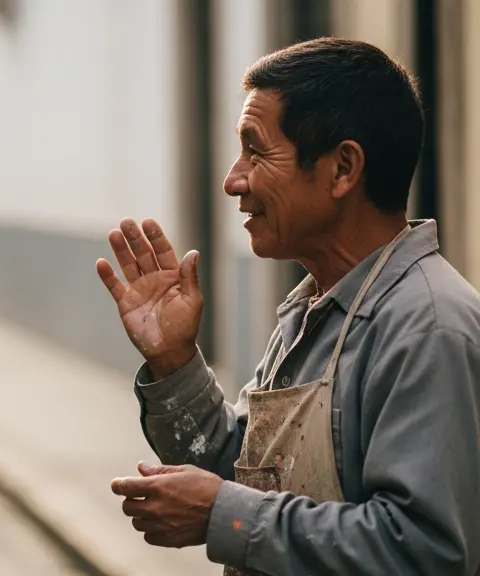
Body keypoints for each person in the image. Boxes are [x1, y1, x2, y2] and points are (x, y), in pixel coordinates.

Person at [97, 37, 480, 575]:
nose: (234, 180)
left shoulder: (427, 327)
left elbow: (420, 550)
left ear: (342, 168)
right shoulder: (314, 308)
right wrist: (175, 362)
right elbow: (252, 470)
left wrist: (223, 516)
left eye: (255, 150)